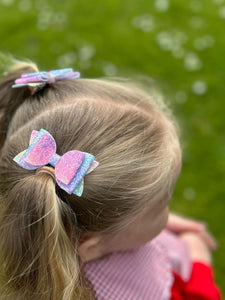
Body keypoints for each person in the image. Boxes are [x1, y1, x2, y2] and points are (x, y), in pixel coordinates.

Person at [0, 57, 222, 300]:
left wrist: (150, 219)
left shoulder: (38, 225)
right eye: (160, 207)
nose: (168, 212)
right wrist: (200, 265)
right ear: (91, 247)